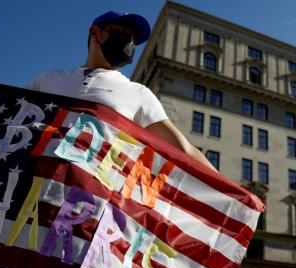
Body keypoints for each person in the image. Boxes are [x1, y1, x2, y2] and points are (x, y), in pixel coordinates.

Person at [27, 10, 215, 170]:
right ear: (95, 34)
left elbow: (184, 149)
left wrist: (236, 195)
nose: (129, 43)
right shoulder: (47, 80)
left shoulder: (139, 93)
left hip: (82, 204)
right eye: (121, 34)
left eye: (133, 39)